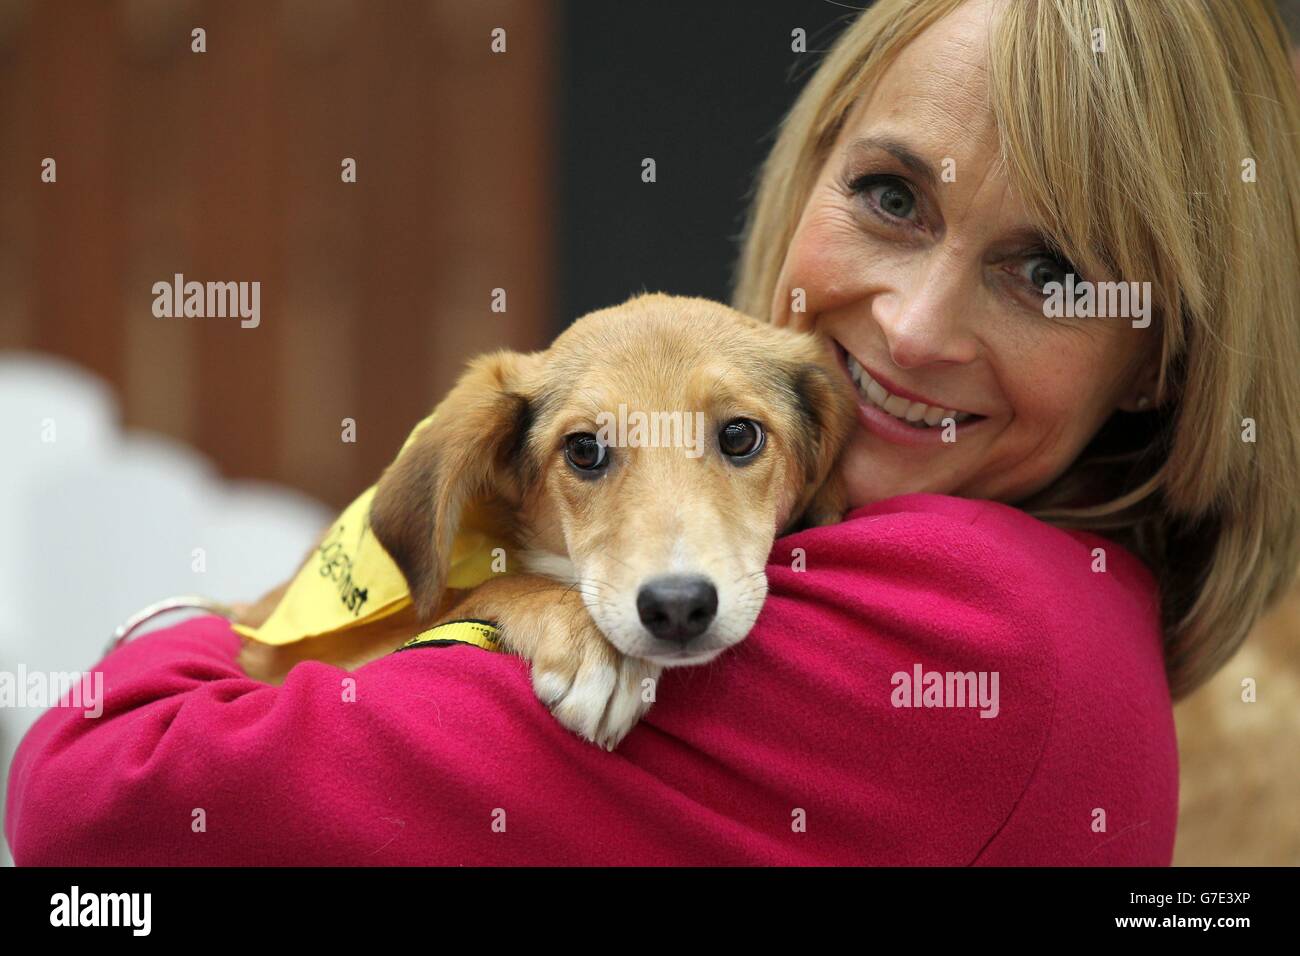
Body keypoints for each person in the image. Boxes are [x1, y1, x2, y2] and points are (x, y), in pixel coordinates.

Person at [7, 0, 1298, 865]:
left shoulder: (970, 633)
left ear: (1160, 360)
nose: (910, 329)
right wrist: (506, 592)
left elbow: (93, 797)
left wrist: (164, 637)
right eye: (891, 196)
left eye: (1052, 274)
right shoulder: (1039, 600)